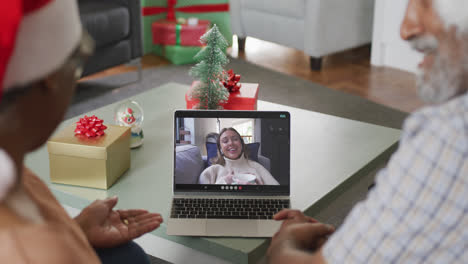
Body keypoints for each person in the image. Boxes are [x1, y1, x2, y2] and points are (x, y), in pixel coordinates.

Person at [267, 0, 468, 263]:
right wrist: (353, 240)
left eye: (427, 2)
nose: (405, 29)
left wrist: (283, 245)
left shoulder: (450, 135)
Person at [0, 0, 162, 263]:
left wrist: (78, 229)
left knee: (129, 255)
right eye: (77, 65)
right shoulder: (35, 251)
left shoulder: (19, 172)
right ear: (50, 79)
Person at [199, 127, 279, 185]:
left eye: (235, 139)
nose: (231, 143)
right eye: (225, 141)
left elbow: (276, 191)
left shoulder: (256, 167)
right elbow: (202, 198)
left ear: (241, 144)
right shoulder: (213, 170)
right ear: (220, 149)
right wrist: (225, 181)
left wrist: (259, 190)